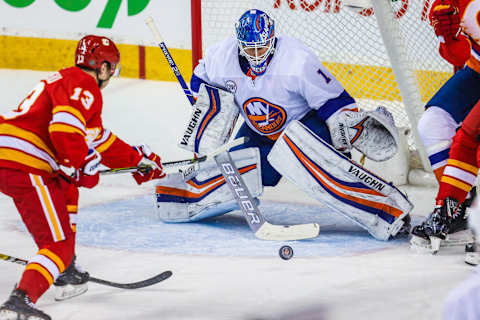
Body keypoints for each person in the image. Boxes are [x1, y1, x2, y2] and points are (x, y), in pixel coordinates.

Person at [154, 9, 412, 241]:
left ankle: (388, 211)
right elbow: (200, 78)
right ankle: (180, 199)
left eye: (262, 47)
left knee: (322, 171)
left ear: (273, 39)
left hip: (306, 128)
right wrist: (204, 101)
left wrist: (341, 141)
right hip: (259, 132)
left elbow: (335, 101)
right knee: (234, 172)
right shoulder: (222, 56)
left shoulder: (297, 61)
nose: (256, 55)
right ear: (239, 44)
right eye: (250, 48)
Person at [0, 35, 165, 320]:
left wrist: (139, 161)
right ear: (101, 67)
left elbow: (99, 140)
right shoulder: (84, 83)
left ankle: (65, 266)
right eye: (110, 68)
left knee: (67, 187)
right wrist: (81, 161)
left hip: (13, 156)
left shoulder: (69, 84)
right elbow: (64, 130)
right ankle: (21, 299)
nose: (111, 75)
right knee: (57, 245)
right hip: (24, 161)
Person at [411, 0, 480, 247]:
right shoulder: (447, 2)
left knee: (473, 139)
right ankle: (455, 207)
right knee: (433, 124)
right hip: (477, 70)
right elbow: (459, 55)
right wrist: (450, 37)